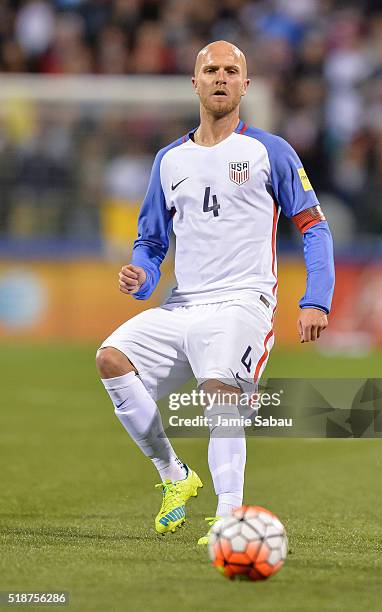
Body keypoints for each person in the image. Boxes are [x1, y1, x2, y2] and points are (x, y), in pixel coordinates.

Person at [96, 40, 335, 544]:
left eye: (231, 70)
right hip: (184, 303)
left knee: (219, 393)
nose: (221, 77)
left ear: (245, 86)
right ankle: (175, 476)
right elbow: (152, 241)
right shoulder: (169, 160)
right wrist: (141, 274)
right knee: (112, 359)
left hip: (244, 302)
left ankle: (229, 518)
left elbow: (313, 227)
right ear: (195, 82)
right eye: (211, 70)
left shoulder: (270, 151)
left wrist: (316, 298)